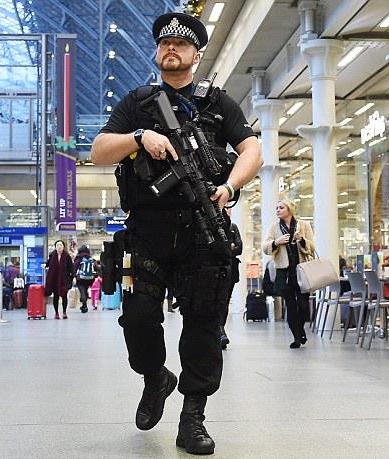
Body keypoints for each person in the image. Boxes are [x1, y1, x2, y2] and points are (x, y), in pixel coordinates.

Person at [91, 12, 262, 456]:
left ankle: (193, 417)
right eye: (165, 43)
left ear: (196, 56)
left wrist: (230, 187)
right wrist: (139, 136)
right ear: (157, 52)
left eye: (182, 44)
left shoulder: (217, 104)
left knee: (204, 325)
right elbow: (98, 151)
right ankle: (155, 377)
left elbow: (252, 149)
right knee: (138, 318)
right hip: (147, 232)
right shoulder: (137, 103)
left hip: (202, 232)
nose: (172, 48)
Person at [262, 197, 315, 349]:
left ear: (290, 210)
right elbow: (265, 247)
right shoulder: (274, 227)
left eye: (281, 208)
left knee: (303, 305)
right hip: (284, 272)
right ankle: (297, 337)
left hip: (302, 271)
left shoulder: (303, 225)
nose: (278, 210)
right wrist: (276, 242)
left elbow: (312, 247)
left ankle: (301, 329)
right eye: (277, 208)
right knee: (291, 305)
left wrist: (302, 240)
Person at [220, 207, 242, 350]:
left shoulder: (233, 227)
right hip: (217, 269)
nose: (227, 211)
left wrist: (228, 248)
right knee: (219, 301)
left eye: (228, 209)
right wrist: (230, 246)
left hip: (231, 269)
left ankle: (221, 329)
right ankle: (220, 331)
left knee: (225, 301)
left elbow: (239, 248)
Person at [45, 240, 74, 319]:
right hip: (54, 279)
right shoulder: (52, 255)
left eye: (61, 245)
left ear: (63, 247)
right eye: (57, 245)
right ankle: (56, 313)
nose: (59, 246)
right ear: (55, 247)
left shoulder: (66, 256)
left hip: (64, 279)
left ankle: (64, 312)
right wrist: (45, 265)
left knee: (64, 295)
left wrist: (73, 276)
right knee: (56, 296)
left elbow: (71, 267)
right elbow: (48, 263)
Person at [74, 245, 96, 313]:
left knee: (82, 291)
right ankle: (84, 304)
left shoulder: (79, 258)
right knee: (85, 290)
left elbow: (74, 267)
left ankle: (84, 306)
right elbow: (96, 268)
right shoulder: (90, 258)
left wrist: (73, 276)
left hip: (80, 278)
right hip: (89, 279)